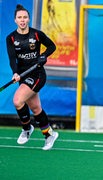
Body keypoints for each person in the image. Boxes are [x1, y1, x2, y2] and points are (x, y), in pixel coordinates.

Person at [6, 4, 58, 150]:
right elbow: (12, 59)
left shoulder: (36, 35)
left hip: (37, 74)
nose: (22, 20)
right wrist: (15, 73)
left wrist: (43, 56)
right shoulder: (10, 38)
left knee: (17, 100)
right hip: (22, 76)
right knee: (35, 108)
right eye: (19, 18)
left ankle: (26, 128)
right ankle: (49, 135)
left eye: (25, 17)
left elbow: (52, 46)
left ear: (28, 19)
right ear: (15, 20)